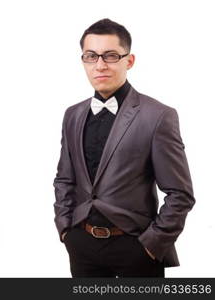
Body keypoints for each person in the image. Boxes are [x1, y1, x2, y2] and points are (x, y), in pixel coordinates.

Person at [53, 19, 195, 277]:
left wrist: (152, 244)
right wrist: (65, 229)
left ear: (128, 61)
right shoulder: (72, 115)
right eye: (91, 56)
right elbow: (65, 178)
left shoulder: (158, 116)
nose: (100, 65)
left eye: (110, 55)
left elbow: (180, 193)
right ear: (83, 60)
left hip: (136, 249)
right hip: (82, 246)